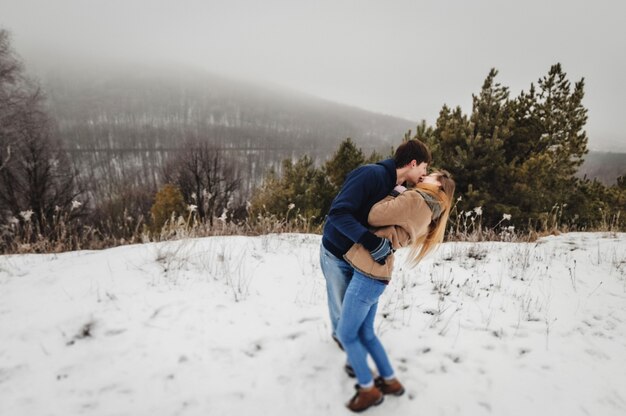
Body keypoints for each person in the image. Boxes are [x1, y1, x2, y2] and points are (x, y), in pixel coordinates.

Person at [337, 171, 456, 412]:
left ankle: (368, 389)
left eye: (432, 176)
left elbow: (373, 215)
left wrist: (395, 191)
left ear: (440, 187)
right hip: (378, 275)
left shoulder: (416, 199)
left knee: (346, 334)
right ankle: (390, 381)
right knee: (367, 333)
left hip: (368, 272)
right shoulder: (430, 210)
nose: (425, 176)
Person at [319, 140, 431, 375]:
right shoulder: (370, 174)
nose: (425, 173)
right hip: (337, 253)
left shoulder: (399, 188)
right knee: (341, 305)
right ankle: (344, 341)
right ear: (413, 163)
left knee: (354, 308)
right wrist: (371, 242)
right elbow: (338, 214)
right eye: (424, 167)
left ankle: (352, 345)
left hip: (362, 259)